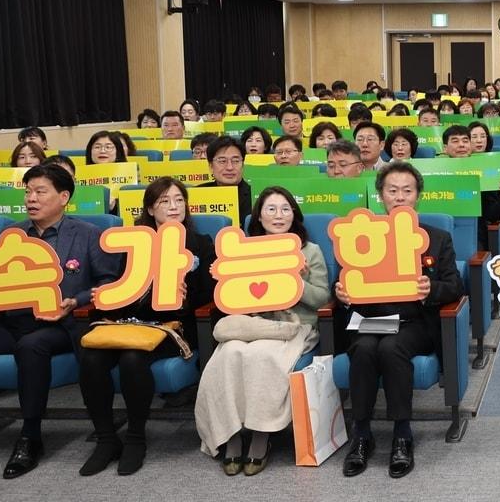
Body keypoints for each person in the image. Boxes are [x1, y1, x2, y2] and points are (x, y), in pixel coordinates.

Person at [0, 165, 120, 481]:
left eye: (40, 191)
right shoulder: (11, 234)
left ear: (63, 196)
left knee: (31, 346)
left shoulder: (88, 235)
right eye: (28, 192)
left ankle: (30, 435)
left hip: (57, 324)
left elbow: (108, 282)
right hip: (8, 322)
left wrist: (75, 302)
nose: (31, 198)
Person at [76, 178, 217, 476]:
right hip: (131, 322)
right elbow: (115, 292)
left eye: (179, 199)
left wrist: (183, 294)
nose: (174, 206)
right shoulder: (134, 243)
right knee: (91, 357)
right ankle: (105, 439)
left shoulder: (200, 243)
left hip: (175, 325)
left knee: (132, 359)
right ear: (151, 208)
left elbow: (209, 295)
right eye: (165, 201)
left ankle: (136, 438)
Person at [335, 162, 463, 479]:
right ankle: (361, 434)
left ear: (418, 196)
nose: (400, 197)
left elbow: (455, 286)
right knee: (364, 350)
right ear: (380, 196)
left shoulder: (437, 237)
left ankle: (402, 434)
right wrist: (342, 292)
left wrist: (430, 288)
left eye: (407, 190)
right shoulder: (361, 236)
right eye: (392, 191)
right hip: (369, 319)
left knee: (392, 349)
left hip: (413, 322)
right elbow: (343, 280)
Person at [195, 186, 329, 477]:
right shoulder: (245, 252)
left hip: (292, 326)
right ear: (259, 216)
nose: (278, 215)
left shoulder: (311, 251)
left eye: (285, 208)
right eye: (270, 209)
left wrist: (293, 279)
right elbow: (232, 297)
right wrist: (223, 278)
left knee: (261, 355)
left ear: (294, 214)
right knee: (228, 353)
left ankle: (260, 436)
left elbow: (321, 298)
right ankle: (229, 434)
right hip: (251, 325)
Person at [199, 137, 253, 226]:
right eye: (222, 161)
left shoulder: (255, 196)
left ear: (243, 165)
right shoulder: (198, 194)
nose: (229, 167)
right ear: (211, 166)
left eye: (235, 161)